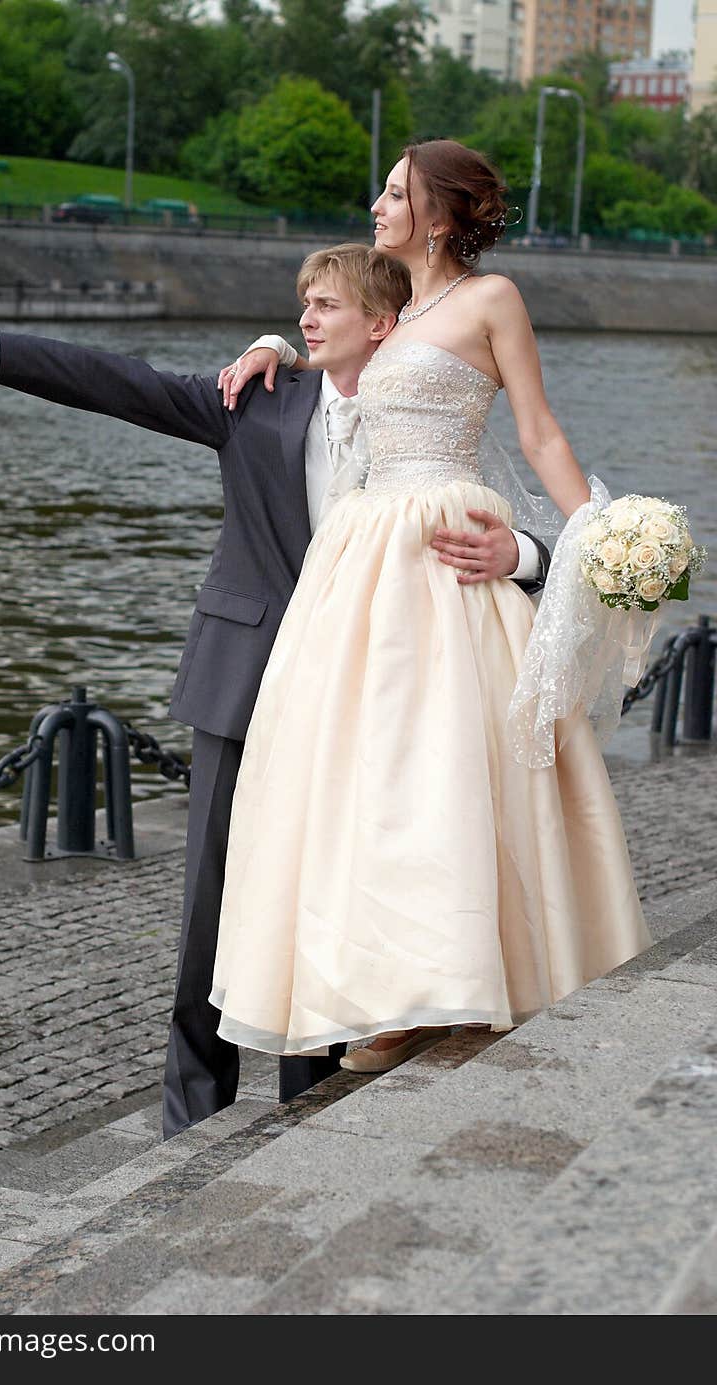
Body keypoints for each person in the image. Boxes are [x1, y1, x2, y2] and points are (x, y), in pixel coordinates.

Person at [0, 244, 547, 1136]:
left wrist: (535, 557)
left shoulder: (431, 421)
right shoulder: (256, 397)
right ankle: (189, 1121)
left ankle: (310, 1104)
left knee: (329, 900)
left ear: (388, 326)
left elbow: (497, 523)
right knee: (210, 913)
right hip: (248, 682)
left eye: (327, 305)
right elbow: (123, 383)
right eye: (301, 306)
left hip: (369, 702)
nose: (307, 319)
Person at [207, 140, 651, 1072]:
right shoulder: (388, 302)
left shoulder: (490, 301)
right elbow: (338, 338)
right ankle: (387, 987)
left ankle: (455, 979)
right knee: (358, 773)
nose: (377, 201)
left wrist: (601, 539)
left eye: (397, 191)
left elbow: (537, 429)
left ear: (441, 216)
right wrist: (275, 342)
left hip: (447, 544)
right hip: (361, 560)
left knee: (449, 764)